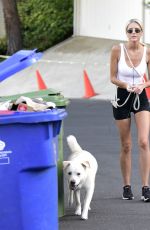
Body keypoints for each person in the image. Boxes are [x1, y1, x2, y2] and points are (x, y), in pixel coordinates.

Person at [110, 18, 150, 202]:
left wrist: (144, 84)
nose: (134, 33)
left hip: (140, 97)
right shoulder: (117, 49)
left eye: (137, 30)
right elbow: (112, 77)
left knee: (143, 141)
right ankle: (127, 186)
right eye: (130, 30)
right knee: (126, 145)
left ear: (141, 32)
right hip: (122, 96)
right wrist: (126, 85)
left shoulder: (147, 50)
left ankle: (145, 187)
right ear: (126, 33)